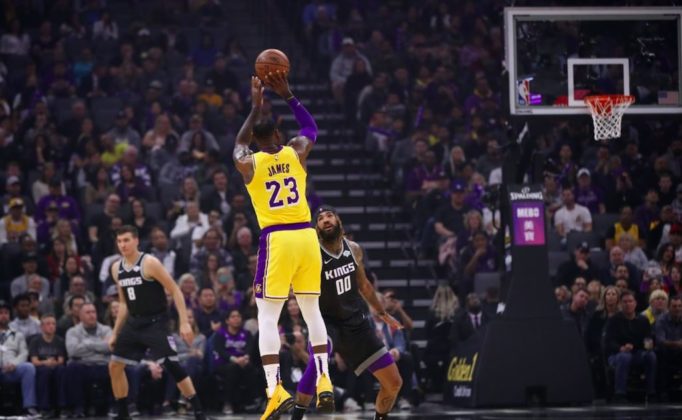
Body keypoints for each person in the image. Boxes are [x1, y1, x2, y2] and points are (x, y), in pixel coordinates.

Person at [233, 73, 331, 419]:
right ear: (277, 134)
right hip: (307, 236)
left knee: (267, 316)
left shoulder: (249, 163)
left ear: (256, 141)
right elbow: (311, 128)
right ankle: (323, 379)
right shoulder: (296, 151)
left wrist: (254, 106)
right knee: (312, 310)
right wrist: (288, 94)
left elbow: (237, 144)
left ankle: (274, 389)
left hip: (277, 239)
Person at [291, 206, 403, 420]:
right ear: (316, 228)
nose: (325, 220)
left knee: (394, 383)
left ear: (338, 221)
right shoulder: (312, 253)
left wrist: (382, 313)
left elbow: (365, 286)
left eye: (329, 216)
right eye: (320, 218)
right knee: (316, 363)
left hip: (356, 323)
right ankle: (296, 417)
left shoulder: (354, 249)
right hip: (326, 321)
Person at [107, 226, 207, 420]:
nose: (122, 245)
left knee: (171, 364)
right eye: (119, 241)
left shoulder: (150, 263)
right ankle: (123, 413)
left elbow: (175, 290)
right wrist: (115, 333)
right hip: (134, 323)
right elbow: (123, 303)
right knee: (114, 366)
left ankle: (198, 411)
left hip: (156, 322)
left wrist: (184, 322)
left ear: (136, 241)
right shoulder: (115, 268)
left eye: (126, 240)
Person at [604, 290, 657, 402]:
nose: (628, 304)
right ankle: (620, 393)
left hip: (637, 353)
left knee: (651, 355)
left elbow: (647, 339)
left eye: (630, 301)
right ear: (620, 304)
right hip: (616, 354)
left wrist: (648, 345)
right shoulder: (614, 320)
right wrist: (621, 348)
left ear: (635, 303)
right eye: (625, 302)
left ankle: (651, 392)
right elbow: (608, 342)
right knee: (624, 356)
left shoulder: (643, 320)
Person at [212, 309, 257, 414]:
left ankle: (251, 402)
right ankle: (227, 403)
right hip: (224, 363)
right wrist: (235, 359)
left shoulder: (246, 333)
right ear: (227, 320)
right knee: (233, 368)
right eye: (233, 316)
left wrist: (245, 357)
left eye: (238, 316)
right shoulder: (220, 334)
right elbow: (220, 351)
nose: (236, 319)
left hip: (242, 361)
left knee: (252, 368)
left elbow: (250, 348)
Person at [0, 300, 40, 418]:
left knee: (28, 367)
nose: (3, 315)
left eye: (6, 313)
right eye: (0, 313)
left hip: (11, 369)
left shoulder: (18, 334)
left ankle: (29, 407)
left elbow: (24, 353)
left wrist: (14, 364)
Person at [29, 314, 66, 417]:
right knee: (44, 372)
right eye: (48, 324)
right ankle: (44, 408)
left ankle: (62, 407)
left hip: (55, 366)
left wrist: (53, 363)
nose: (51, 326)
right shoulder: (35, 341)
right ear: (42, 327)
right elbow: (34, 361)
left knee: (61, 370)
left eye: (53, 324)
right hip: (41, 367)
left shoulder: (59, 340)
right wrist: (46, 363)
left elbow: (61, 360)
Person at [655, 295, 682, 400]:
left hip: (680, 351)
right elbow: (660, 341)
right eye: (674, 306)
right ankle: (663, 391)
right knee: (661, 353)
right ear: (669, 307)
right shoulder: (661, 320)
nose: (677, 309)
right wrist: (677, 344)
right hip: (665, 351)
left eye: (679, 306)